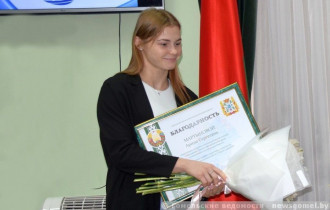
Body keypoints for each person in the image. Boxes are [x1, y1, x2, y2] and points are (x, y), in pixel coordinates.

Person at [97, 8, 226, 210]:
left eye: (177, 43)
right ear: (139, 43)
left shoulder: (187, 98)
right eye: (164, 44)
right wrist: (185, 165)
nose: (173, 51)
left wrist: (206, 184)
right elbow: (120, 153)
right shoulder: (117, 90)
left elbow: (199, 155)